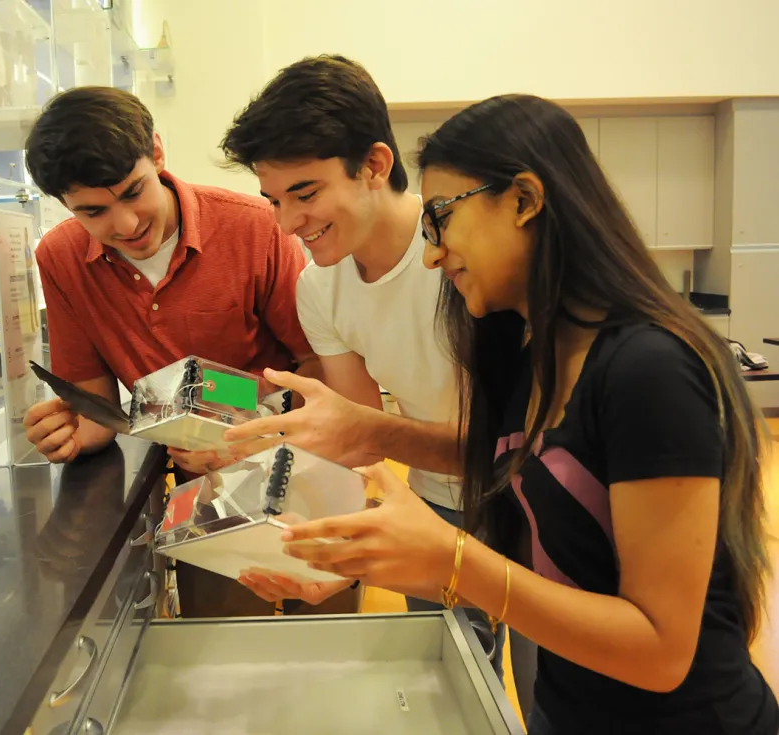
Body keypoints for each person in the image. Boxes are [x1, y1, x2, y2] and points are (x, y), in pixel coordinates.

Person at [272, 94, 779, 734]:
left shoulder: (649, 369)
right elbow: (530, 543)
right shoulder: (527, 352)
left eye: (441, 220)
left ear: (524, 199)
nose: (431, 255)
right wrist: (363, 554)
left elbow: (662, 653)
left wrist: (453, 559)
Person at [21, 86, 358, 617]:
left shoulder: (254, 227)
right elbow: (94, 405)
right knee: (219, 651)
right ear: (64, 204)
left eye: (134, 192)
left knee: (324, 645)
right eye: (94, 211)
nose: (126, 226)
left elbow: (323, 369)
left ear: (157, 153)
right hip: (203, 498)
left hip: (305, 474)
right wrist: (71, 433)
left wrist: (258, 428)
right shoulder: (61, 258)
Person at [218, 54, 505, 675]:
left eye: (306, 193)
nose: (286, 223)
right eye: (272, 199)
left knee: (551, 690)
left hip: (535, 499)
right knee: (446, 677)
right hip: (435, 501)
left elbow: (520, 442)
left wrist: (365, 435)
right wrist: (338, 552)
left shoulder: (465, 250)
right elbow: (361, 446)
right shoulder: (319, 288)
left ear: (375, 165)